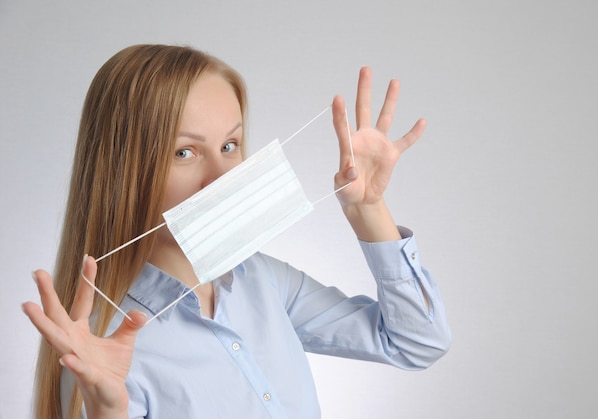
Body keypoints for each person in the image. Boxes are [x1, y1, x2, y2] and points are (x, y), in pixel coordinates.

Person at [22, 44, 451, 419]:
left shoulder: (263, 280)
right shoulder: (103, 349)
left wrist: (368, 209)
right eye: (184, 151)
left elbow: (414, 342)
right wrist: (108, 412)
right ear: (123, 172)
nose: (221, 177)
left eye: (229, 146)